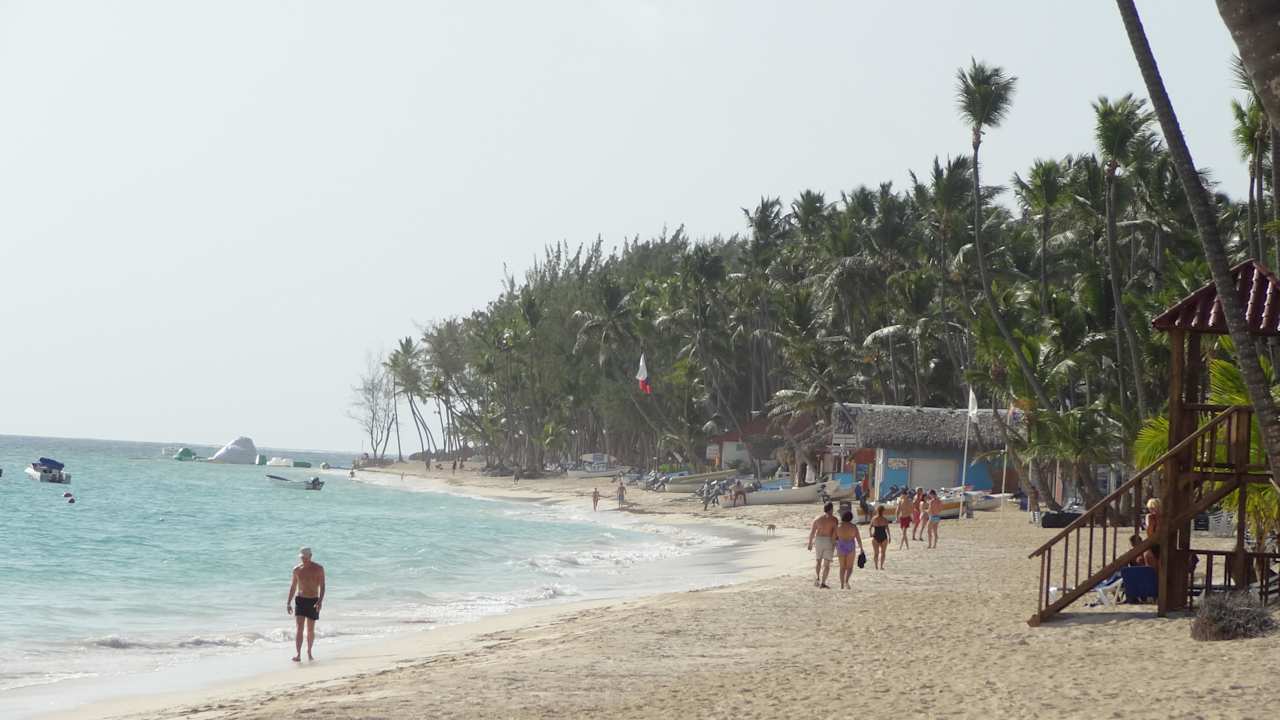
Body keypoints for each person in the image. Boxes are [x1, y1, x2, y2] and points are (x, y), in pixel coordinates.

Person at [286, 546, 326, 662]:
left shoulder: (318, 568)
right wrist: (288, 602)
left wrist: (320, 600)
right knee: (299, 628)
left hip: (313, 600)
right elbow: (293, 586)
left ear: (310, 556)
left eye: (305, 557)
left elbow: (323, 585)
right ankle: (298, 654)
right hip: (300, 600)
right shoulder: (297, 569)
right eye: (302, 557)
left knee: (310, 629)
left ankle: (309, 651)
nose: (303, 559)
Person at [807, 502, 839, 589]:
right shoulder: (834, 520)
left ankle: (817, 578)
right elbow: (835, 533)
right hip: (828, 540)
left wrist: (810, 543)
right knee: (827, 564)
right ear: (831, 509)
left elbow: (812, 532)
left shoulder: (817, 519)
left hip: (818, 540)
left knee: (818, 561)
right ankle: (823, 583)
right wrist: (836, 544)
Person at [834, 510, 864, 589]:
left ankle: (841, 585)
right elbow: (858, 539)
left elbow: (834, 538)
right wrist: (861, 548)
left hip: (841, 546)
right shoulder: (854, 527)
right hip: (850, 546)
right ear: (851, 518)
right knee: (849, 567)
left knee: (842, 567)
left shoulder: (838, 526)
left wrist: (835, 546)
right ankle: (846, 581)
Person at [869, 505, 891, 569]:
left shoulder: (874, 519)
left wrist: (870, 533)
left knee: (876, 553)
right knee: (883, 552)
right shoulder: (885, 519)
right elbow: (887, 529)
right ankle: (881, 566)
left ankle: (876, 566)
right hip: (884, 536)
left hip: (876, 536)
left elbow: (870, 527)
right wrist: (889, 537)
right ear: (883, 511)